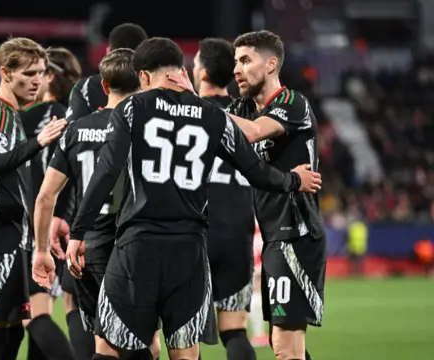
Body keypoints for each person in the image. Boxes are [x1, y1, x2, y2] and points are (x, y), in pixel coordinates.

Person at [65, 37, 322, 360]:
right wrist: (295, 179)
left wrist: (78, 233)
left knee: (110, 347)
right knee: (187, 353)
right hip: (190, 251)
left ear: (143, 76)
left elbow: (105, 174)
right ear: (180, 70)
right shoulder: (211, 115)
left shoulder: (131, 108)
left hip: (138, 246)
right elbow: (256, 171)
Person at [32, 48, 163, 359]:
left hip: (87, 247)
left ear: (104, 86)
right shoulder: (149, 130)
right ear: (143, 83)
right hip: (134, 246)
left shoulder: (76, 129)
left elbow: (45, 195)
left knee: (104, 343)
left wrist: (40, 250)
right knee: (145, 343)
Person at [0, 37, 70, 360]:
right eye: (28, 73)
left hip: (13, 237)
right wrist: (37, 142)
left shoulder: (10, 113)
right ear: (5, 73)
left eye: (40, 72)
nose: (37, 80)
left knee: (10, 333)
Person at [228, 30, 326, 360]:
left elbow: (253, 132)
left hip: (296, 234)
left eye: (245, 60)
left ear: (271, 64)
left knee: (286, 349)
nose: (236, 70)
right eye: (234, 62)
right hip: (274, 235)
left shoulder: (291, 102)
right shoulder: (244, 107)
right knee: (281, 344)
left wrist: (203, 111)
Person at [19, 46, 92, 359]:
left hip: (36, 225)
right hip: (73, 226)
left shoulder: (27, 118)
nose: (33, 79)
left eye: (37, 72)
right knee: (66, 304)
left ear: (49, 76)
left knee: (33, 315)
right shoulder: (81, 120)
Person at [193, 37, 258, 360]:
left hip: (195, 233)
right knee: (234, 331)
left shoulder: (187, 113)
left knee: (185, 335)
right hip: (237, 232)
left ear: (203, 72)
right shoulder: (248, 117)